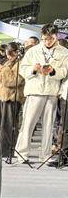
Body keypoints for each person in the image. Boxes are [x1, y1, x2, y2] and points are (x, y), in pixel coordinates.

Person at [14, 23, 68, 163]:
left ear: (56, 36)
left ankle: (45, 155)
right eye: (45, 39)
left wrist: (53, 71)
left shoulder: (64, 52)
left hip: (52, 92)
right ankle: (22, 154)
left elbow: (64, 72)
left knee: (49, 126)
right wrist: (33, 69)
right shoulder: (33, 50)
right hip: (34, 91)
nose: (47, 41)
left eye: (51, 38)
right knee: (28, 123)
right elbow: (22, 70)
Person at [0, 45, 25, 158]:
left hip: (12, 97)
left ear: (17, 52)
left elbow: (13, 81)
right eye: (7, 54)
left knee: (9, 125)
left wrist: (3, 70)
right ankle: (0, 149)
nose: (9, 57)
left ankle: (8, 150)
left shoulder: (21, 64)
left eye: (11, 54)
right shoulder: (7, 63)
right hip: (1, 96)